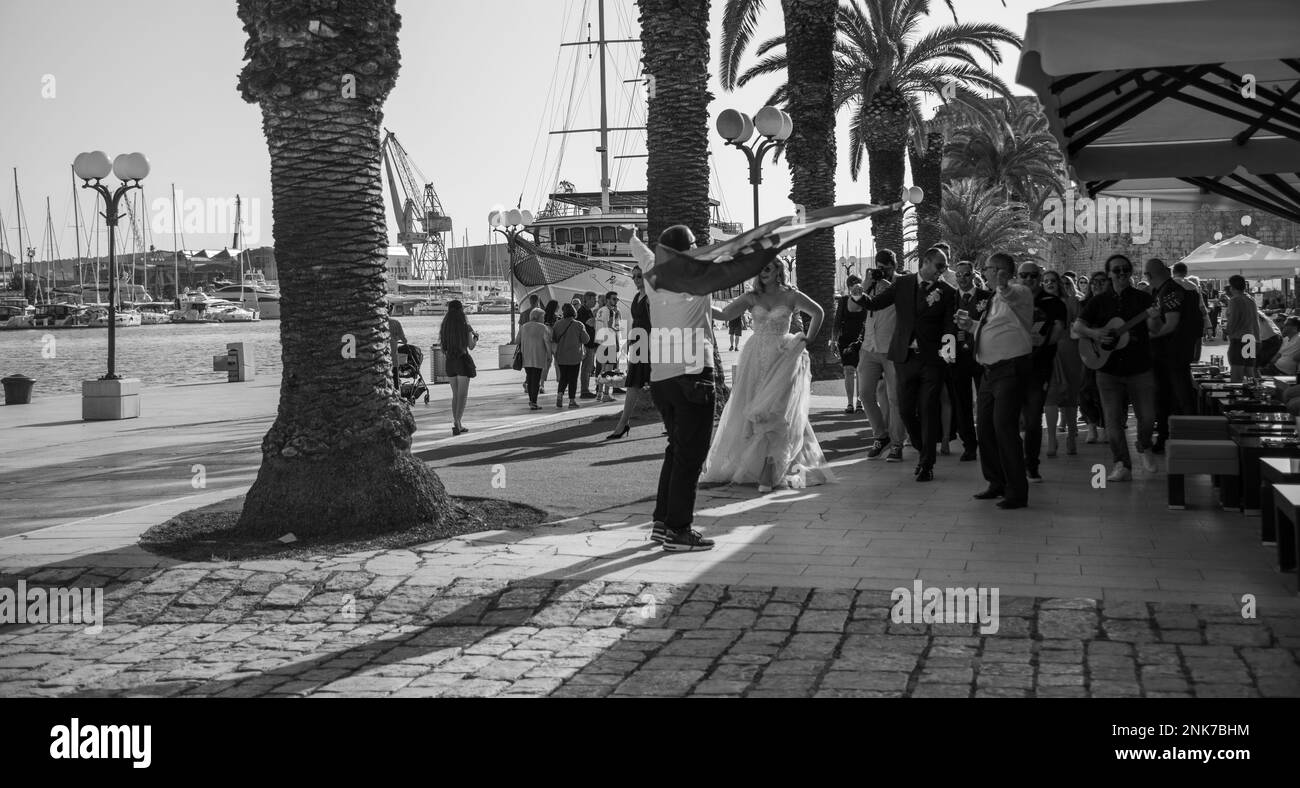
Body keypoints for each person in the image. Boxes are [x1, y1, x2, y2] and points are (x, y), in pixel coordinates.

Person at [635, 223, 783, 552]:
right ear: (688, 251)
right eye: (695, 246)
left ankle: (662, 523)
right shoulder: (696, 279)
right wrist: (771, 243)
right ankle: (678, 531)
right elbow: (739, 265)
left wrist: (631, 235)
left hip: (662, 378)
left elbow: (640, 251)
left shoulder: (652, 274)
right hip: (692, 377)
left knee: (676, 450)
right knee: (690, 456)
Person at [703, 257, 832, 492]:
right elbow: (723, 314)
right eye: (760, 268)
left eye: (768, 268)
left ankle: (770, 470)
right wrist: (699, 302)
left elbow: (818, 312)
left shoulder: (791, 295)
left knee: (777, 410)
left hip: (783, 357)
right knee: (750, 406)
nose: (763, 272)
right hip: (755, 358)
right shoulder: (752, 297)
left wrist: (808, 338)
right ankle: (753, 466)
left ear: (778, 271)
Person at [854, 246, 958, 482]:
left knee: (929, 410)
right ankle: (923, 448)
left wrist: (948, 357)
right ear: (926, 262)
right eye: (939, 266)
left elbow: (949, 328)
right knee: (906, 410)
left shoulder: (948, 292)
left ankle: (926, 464)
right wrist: (860, 295)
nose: (943, 270)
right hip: (904, 358)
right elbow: (875, 304)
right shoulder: (902, 284)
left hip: (933, 361)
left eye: (944, 266)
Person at [1074, 254, 1158, 482]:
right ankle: (1122, 464)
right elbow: (1078, 326)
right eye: (1117, 270)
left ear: (1131, 273)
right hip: (1108, 370)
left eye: (1125, 270)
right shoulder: (1099, 301)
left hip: (1139, 367)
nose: (1121, 274)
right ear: (1109, 274)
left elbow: (1155, 329)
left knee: (1148, 417)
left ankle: (1144, 445)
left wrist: (1154, 317)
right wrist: (1095, 333)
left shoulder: (1143, 299)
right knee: (1112, 423)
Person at [960, 252, 1033, 509]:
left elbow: (1012, 296)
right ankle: (996, 482)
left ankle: (1017, 491)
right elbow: (993, 328)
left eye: (988, 268)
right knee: (986, 429)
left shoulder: (1018, 292)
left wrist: (1003, 284)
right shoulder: (994, 298)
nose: (984, 272)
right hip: (989, 373)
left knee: (1005, 428)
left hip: (1010, 370)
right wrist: (971, 325)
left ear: (1001, 271)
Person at [1145, 257, 1202, 453]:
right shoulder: (1164, 290)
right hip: (1170, 352)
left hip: (1172, 352)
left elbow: (1171, 323)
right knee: (1168, 395)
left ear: (1150, 275)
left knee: (1178, 393)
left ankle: (1187, 437)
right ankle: (1169, 436)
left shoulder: (1170, 290)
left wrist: (1151, 335)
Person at [1019, 262, 1066, 483]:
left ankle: (1031, 465)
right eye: (1023, 275)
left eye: (1033, 276)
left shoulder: (1053, 303)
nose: (1028, 279)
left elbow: (1058, 332)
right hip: (1011, 366)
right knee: (1009, 418)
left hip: (1039, 367)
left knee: (1032, 418)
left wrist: (1041, 340)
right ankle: (1013, 463)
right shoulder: (1011, 300)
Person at [857, 250, 904, 461]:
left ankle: (896, 444)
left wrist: (888, 287)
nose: (882, 271)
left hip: (891, 348)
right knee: (865, 394)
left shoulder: (902, 284)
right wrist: (866, 285)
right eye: (879, 267)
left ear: (894, 265)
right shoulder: (869, 283)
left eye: (886, 267)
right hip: (869, 348)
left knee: (895, 399)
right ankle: (881, 435)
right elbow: (851, 307)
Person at [949, 260, 990, 462]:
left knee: (984, 403)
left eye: (966, 274)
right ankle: (969, 445)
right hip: (958, 359)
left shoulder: (986, 298)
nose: (962, 279)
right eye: (958, 275)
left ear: (973, 275)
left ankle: (987, 441)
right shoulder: (950, 298)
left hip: (982, 356)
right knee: (961, 402)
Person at [608, 266, 651, 439]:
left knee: (660, 384)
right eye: (633, 277)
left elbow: (655, 322)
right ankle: (623, 423)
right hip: (638, 342)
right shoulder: (636, 296)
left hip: (650, 344)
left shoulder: (650, 297)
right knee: (634, 383)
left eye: (639, 276)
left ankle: (672, 423)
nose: (636, 279)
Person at [1043, 272, 1083, 456]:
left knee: (1070, 395)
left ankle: (1072, 436)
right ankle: (1052, 439)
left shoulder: (1072, 302)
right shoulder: (1038, 302)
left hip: (1069, 350)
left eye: (1053, 281)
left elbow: (1078, 325)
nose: (1049, 284)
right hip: (1048, 350)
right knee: (1050, 395)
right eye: (1046, 281)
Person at [1078, 270, 1110, 444]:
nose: (1096, 284)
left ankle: (1105, 426)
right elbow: (1076, 328)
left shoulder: (1113, 304)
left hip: (1108, 352)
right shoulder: (1083, 305)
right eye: (1094, 281)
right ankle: (1091, 425)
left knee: (1105, 390)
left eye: (1101, 281)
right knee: (1085, 389)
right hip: (1088, 350)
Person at [439, 300, 478, 436]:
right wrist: (476, 337)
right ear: (461, 310)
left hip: (450, 362)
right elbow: (471, 346)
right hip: (462, 360)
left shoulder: (445, 326)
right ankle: (458, 422)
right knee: (463, 395)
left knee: (455, 395)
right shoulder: (465, 326)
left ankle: (457, 421)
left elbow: (443, 346)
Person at [834, 274, 869, 414]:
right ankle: (850, 403)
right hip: (846, 340)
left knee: (860, 370)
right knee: (848, 370)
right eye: (852, 286)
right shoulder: (843, 300)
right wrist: (833, 340)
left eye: (858, 285)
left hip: (863, 339)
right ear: (848, 288)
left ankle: (859, 402)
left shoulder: (867, 301)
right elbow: (837, 321)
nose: (856, 288)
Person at [550, 302, 589, 408]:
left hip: (561, 356)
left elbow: (553, 339)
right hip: (575, 356)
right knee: (573, 379)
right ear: (574, 312)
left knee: (563, 377)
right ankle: (571, 401)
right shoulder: (579, 325)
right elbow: (586, 340)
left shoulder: (557, 324)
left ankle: (559, 395)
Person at [1224, 276, 1256, 382]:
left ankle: (1237, 397)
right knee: (1249, 375)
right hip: (1250, 338)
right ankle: (1251, 397)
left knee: (1237, 376)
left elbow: (1233, 320)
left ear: (1232, 287)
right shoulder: (1250, 299)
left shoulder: (1235, 300)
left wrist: (1227, 331)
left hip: (1239, 339)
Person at [518, 308, 551, 410]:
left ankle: (531, 401)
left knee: (530, 378)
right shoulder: (543, 327)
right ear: (538, 317)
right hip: (538, 357)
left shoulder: (524, 327)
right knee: (536, 380)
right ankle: (533, 402)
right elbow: (547, 342)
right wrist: (549, 355)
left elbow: (516, 340)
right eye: (543, 317)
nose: (544, 319)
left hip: (526, 357)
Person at [594, 291, 622, 402]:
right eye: (614, 299)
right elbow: (612, 327)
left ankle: (599, 393)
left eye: (617, 299)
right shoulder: (611, 312)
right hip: (609, 342)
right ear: (608, 300)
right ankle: (605, 394)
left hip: (601, 341)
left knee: (602, 370)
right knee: (608, 371)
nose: (616, 301)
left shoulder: (600, 310)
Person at [578, 291, 599, 399]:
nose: (595, 302)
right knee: (587, 368)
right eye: (594, 300)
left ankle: (585, 389)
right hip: (587, 345)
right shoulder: (583, 311)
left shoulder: (587, 311)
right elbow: (590, 324)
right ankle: (584, 390)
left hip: (589, 344)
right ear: (588, 299)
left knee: (588, 367)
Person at [388, 315, 408, 389]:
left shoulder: (376, 323)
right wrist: (395, 338)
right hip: (393, 360)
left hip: (379, 362)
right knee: (395, 384)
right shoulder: (395, 322)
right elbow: (404, 340)